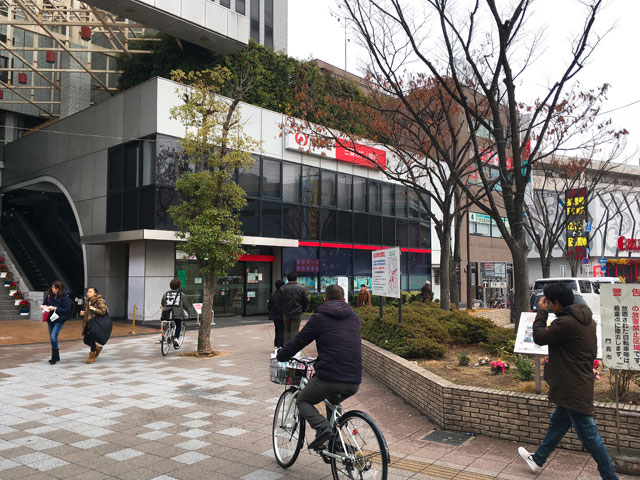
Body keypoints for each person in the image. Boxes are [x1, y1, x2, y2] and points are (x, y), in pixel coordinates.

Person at [518, 283, 618, 480]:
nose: (548, 304)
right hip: (577, 380)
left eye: (549, 302)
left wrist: (541, 312)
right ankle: (538, 459)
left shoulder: (565, 323)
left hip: (572, 385)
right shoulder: (585, 319)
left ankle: (610, 476)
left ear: (556, 302)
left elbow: (539, 337)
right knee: (558, 423)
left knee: (589, 435)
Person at [276, 284, 361, 450]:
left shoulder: (319, 317)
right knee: (332, 401)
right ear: (344, 299)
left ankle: (323, 429)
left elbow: (299, 340)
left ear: (325, 299)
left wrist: (281, 356)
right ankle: (335, 443)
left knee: (303, 399)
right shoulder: (355, 317)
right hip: (354, 379)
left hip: (329, 377)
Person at [41, 280, 72, 365]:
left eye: (54, 288)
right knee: (52, 338)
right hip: (50, 319)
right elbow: (44, 303)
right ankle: (56, 355)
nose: (53, 289)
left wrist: (55, 308)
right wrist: (43, 306)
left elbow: (67, 310)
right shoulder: (49, 295)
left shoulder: (65, 297)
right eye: (52, 287)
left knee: (53, 336)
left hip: (59, 319)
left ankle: (54, 357)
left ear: (59, 289)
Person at [276, 272, 310, 344]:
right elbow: (306, 300)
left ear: (287, 278)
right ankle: (293, 348)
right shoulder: (301, 288)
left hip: (286, 312)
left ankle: (286, 346)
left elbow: (278, 301)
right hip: (297, 312)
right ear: (296, 278)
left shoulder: (282, 288)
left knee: (287, 330)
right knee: (294, 331)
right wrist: (303, 309)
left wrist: (282, 309)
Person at [160, 278, 193, 348]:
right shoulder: (181, 294)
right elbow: (186, 305)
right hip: (178, 313)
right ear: (179, 286)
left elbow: (163, 303)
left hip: (167, 313)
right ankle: (176, 339)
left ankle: (165, 335)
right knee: (178, 325)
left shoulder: (166, 293)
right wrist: (189, 310)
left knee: (167, 323)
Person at [80, 287, 108, 364]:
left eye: (90, 292)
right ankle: (97, 348)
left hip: (95, 324)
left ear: (95, 293)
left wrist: (94, 309)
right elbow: (87, 312)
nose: (88, 293)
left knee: (92, 339)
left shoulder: (99, 301)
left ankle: (92, 356)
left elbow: (103, 311)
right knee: (86, 340)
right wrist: (83, 313)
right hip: (87, 323)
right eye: (88, 292)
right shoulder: (87, 301)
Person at [268, 280, 285, 348]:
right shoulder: (284, 294)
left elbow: (269, 306)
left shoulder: (273, 294)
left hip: (275, 315)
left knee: (277, 330)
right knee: (282, 331)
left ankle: (276, 344)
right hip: (282, 315)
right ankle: (280, 345)